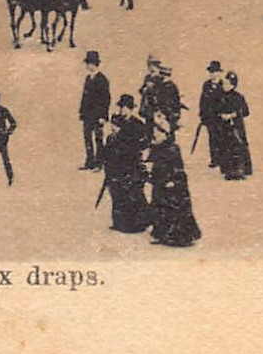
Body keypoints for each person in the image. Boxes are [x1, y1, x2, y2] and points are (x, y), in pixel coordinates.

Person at [146, 115, 202, 247]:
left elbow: (178, 168)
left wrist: (173, 181)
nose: (155, 137)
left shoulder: (172, 148)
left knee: (173, 208)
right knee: (158, 206)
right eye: (154, 134)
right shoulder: (155, 147)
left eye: (158, 134)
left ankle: (179, 235)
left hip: (172, 184)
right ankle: (160, 232)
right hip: (159, 181)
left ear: (166, 135)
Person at [100, 95, 149, 233]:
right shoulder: (118, 121)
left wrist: (134, 149)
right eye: (121, 107)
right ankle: (120, 222)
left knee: (134, 193)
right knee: (119, 192)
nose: (123, 110)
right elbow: (111, 141)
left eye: (126, 108)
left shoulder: (138, 124)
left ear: (132, 109)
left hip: (132, 163)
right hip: (118, 164)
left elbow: (144, 142)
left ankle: (139, 223)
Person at [213, 72, 253, 180]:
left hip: (236, 127)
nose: (225, 86)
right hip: (224, 127)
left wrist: (234, 115)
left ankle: (240, 171)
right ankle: (228, 170)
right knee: (226, 148)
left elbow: (246, 111)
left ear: (233, 85)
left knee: (238, 147)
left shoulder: (238, 97)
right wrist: (221, 115)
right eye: (224, 84)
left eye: (227, 84)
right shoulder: (219, 96)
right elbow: (214, 110)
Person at [79, 50, 110, 170]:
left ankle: (99, 163)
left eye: (88, 63)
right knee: (87, 138)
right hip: (87, 115)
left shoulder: (102, 80)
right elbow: (84, 96)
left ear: (94, 64)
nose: (87, 66)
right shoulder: (88, 78)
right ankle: (89, 161)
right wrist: (81, 111)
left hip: (97, 115)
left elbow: (106, 99)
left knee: (98, 139)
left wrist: (103, 116)